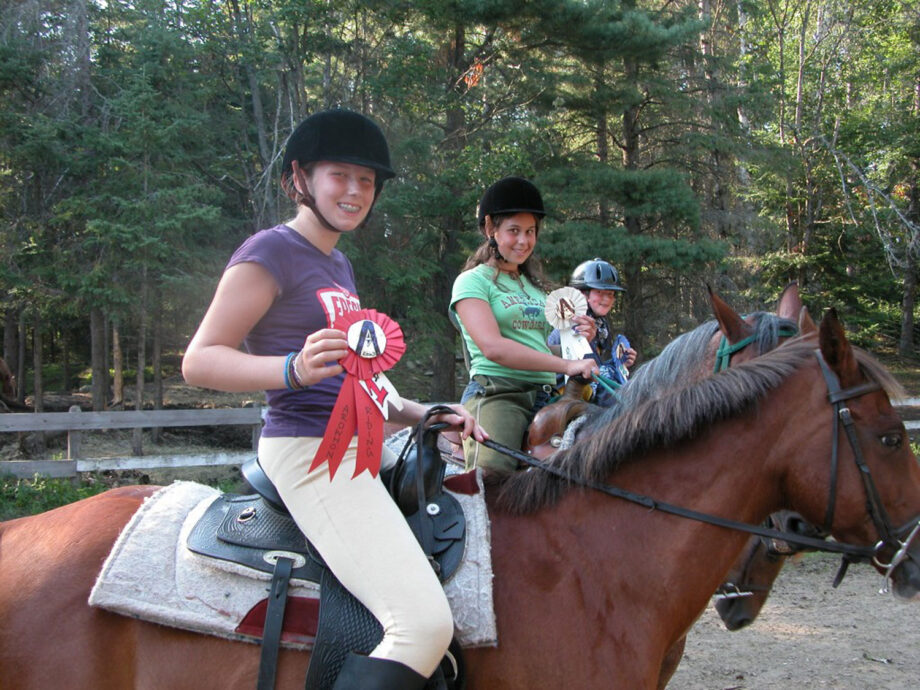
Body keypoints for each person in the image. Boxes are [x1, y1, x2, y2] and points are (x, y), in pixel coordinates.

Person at [182, 108, 486, 690]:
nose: (354, 191)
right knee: (423, 627)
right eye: (339, 175)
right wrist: (290, 369)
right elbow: (199, 360)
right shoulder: (270, 251)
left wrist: (426, 413)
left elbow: (357, 379)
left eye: (366, 180)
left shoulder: (337, 263)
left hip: (359, 443)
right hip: (309, 452)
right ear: (301, 178)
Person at [450, 176, 598, 474]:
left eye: (530, 231)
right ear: (490, 228)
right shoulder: (472, 282)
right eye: (514, 230)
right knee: (491, 475)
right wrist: (566, 365)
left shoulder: (536, 288)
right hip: (499, 392)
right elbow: (493, 347)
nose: (524, 241)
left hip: (547, 393)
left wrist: (577, 344)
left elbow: (538, 348)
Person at [548, 257, 638, 406]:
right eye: (600, 292)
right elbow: (586, 370)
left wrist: (620, 362)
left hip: (587, 389)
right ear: (583, 294)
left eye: (610, 294)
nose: (606, 299)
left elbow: (596, 366)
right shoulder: (573, 322)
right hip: (563, 394)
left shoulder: (601, 325)